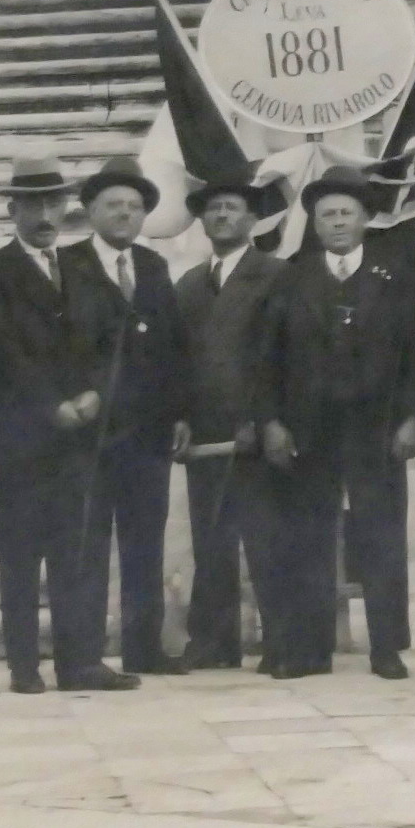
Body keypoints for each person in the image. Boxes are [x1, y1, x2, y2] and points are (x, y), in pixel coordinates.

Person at [255, 165, 415, 679]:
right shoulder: (291, 277)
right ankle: (310, 649)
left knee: (381, 533)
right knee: (308, 535)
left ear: (365, 219)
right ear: (313, 221)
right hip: (310, 428)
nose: (335, 222)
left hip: (377, 427)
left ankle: (386, 646)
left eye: (345, 213)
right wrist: (271, 422)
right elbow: (267, 359)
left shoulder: (396, 275)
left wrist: (414, 419)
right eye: (326, 213)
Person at [0, 155, 134, 693]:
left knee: (79, 550)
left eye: (52, 202)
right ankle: (24, 665)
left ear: (66, 207)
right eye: (31, 204)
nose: (43, 214)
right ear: (12, 209)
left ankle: (78, 661)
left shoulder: (85, 270)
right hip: (22, 437)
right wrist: (50, 405)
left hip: (81, 437)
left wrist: (92, 394)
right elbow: (0, 352)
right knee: (21, 554)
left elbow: (113, 343)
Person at [58, 157, 192, 678]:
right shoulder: (66, 267)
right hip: (90, 437)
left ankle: (144, 649)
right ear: (90, 210)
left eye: (135, 206)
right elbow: (57, 347)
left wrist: (180, 411)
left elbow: (174, 347)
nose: (124, 215)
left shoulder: (153, 268)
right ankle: (83, 656)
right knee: (87, 546)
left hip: (147, 435)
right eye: (113, 204)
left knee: (144, 544)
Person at [172, 172, 285, 671]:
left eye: (232, 207)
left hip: (257, 433)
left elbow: (282, 355)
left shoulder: (276, 275)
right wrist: (179, 417)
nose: (222, 216)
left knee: (266, 540)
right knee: (211, 541)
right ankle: (214, 642)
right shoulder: (190, 284)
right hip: (205, 435)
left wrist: (262, 419)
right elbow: (171, 359)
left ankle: (283, 640)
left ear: (253, 218)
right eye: (214, 208)